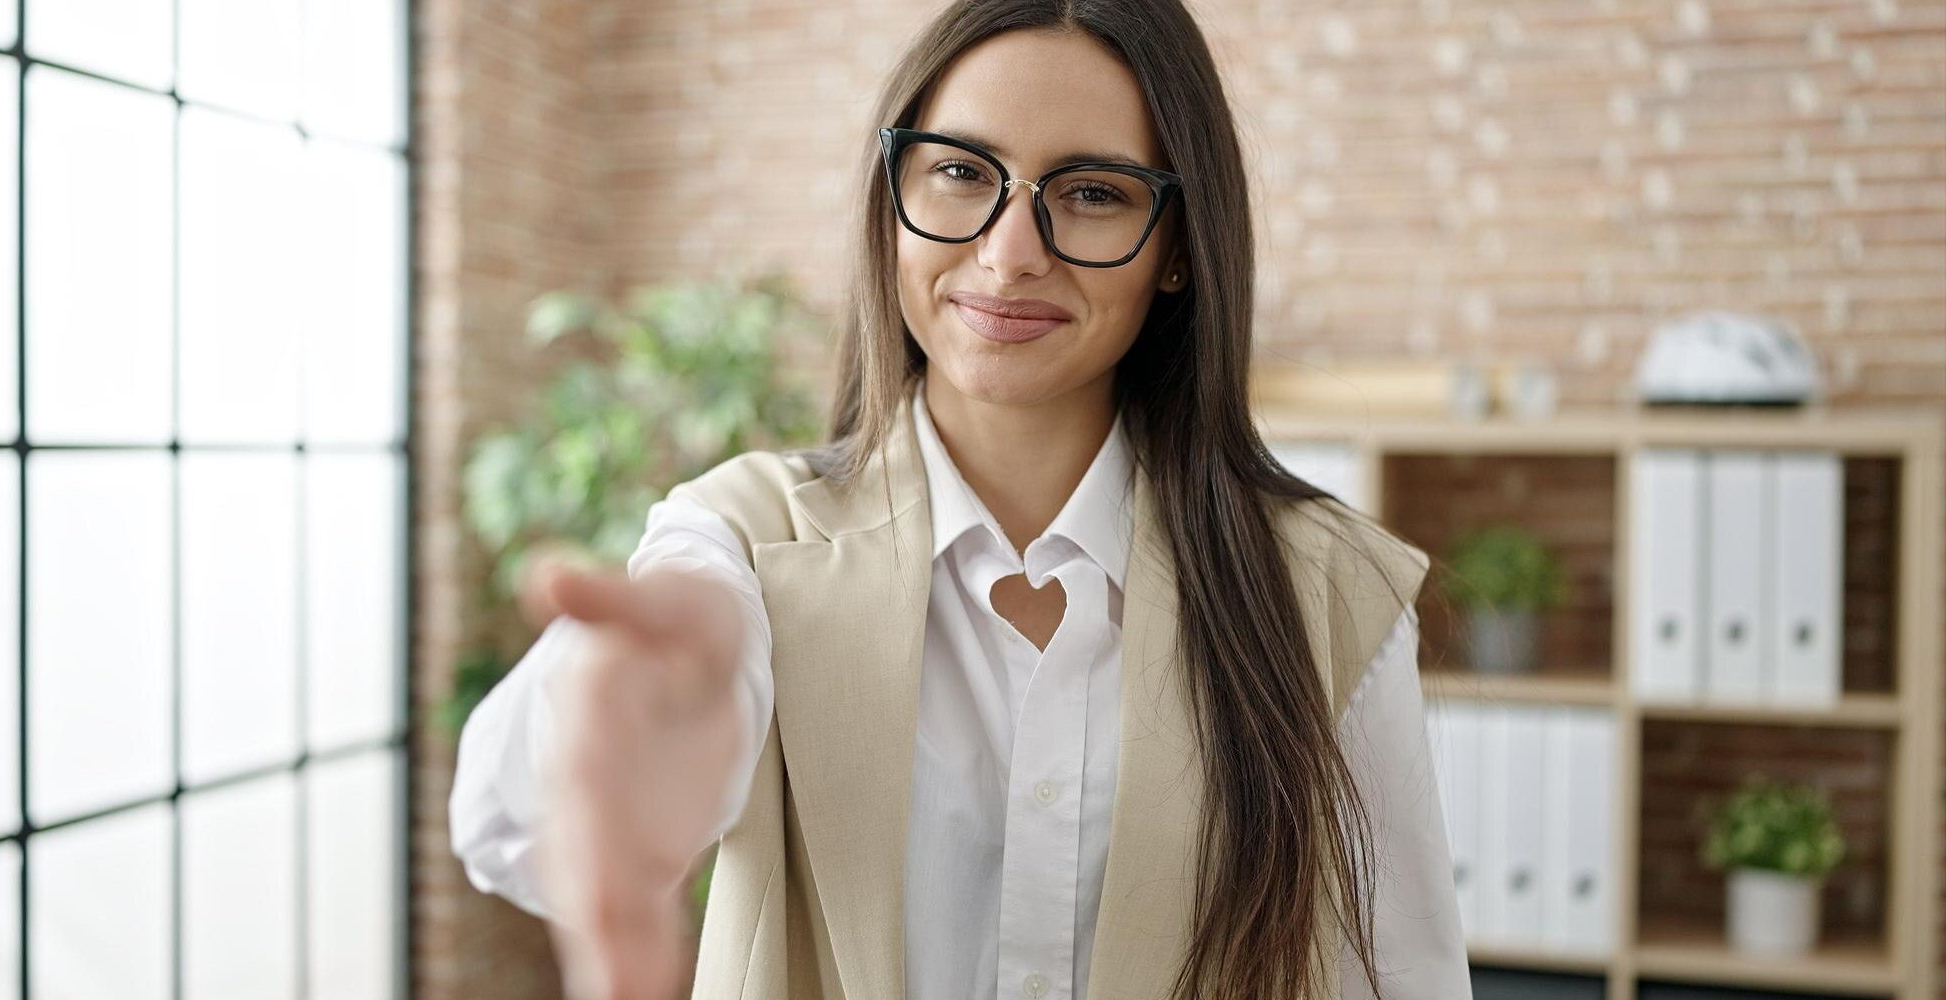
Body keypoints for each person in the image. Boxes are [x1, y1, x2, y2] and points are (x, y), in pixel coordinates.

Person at [449, 1, 1472, 998]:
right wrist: (644, 723)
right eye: (958, 172)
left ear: (1177, 251)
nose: (1009, 250)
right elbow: (515, 824)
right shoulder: (740, 544)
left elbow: (1401, 975)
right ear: (890, 198)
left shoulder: (1325, 590)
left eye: (1092, 193)